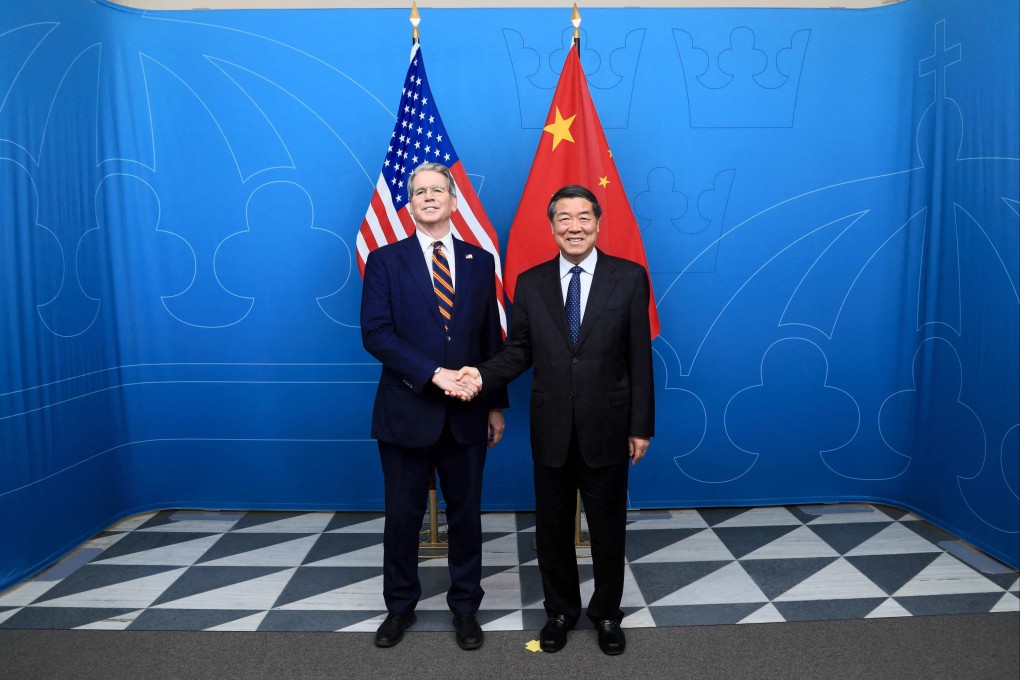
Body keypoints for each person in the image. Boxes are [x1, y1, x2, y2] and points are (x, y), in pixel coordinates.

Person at [451, 184, 654, 656]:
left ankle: (606, 614)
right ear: (552, 226)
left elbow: (638, 358)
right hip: (552, 427)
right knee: (552, 527)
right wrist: (478, 374)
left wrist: (640, 425)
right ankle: (560, 612)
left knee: (607, 528)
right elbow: (519, 350)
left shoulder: (629, 277)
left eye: (583, 217)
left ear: (598, 224)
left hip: (609, 424)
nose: (574, 227)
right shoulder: (531, 281)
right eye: (564, 218)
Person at [360, 162, 507, 650]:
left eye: (437, 190)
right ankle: (400, 607)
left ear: (453, 199)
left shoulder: (480, 261)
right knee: (402, 517)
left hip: (468, 415)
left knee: (466, 516)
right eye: (419, 191)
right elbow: (376, 334)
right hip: (406, 411)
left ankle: (465, 608)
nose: (428, 197)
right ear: (409, 202)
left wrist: (494, 405)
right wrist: (433, 374)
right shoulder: (384, 260)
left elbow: (490, 340)